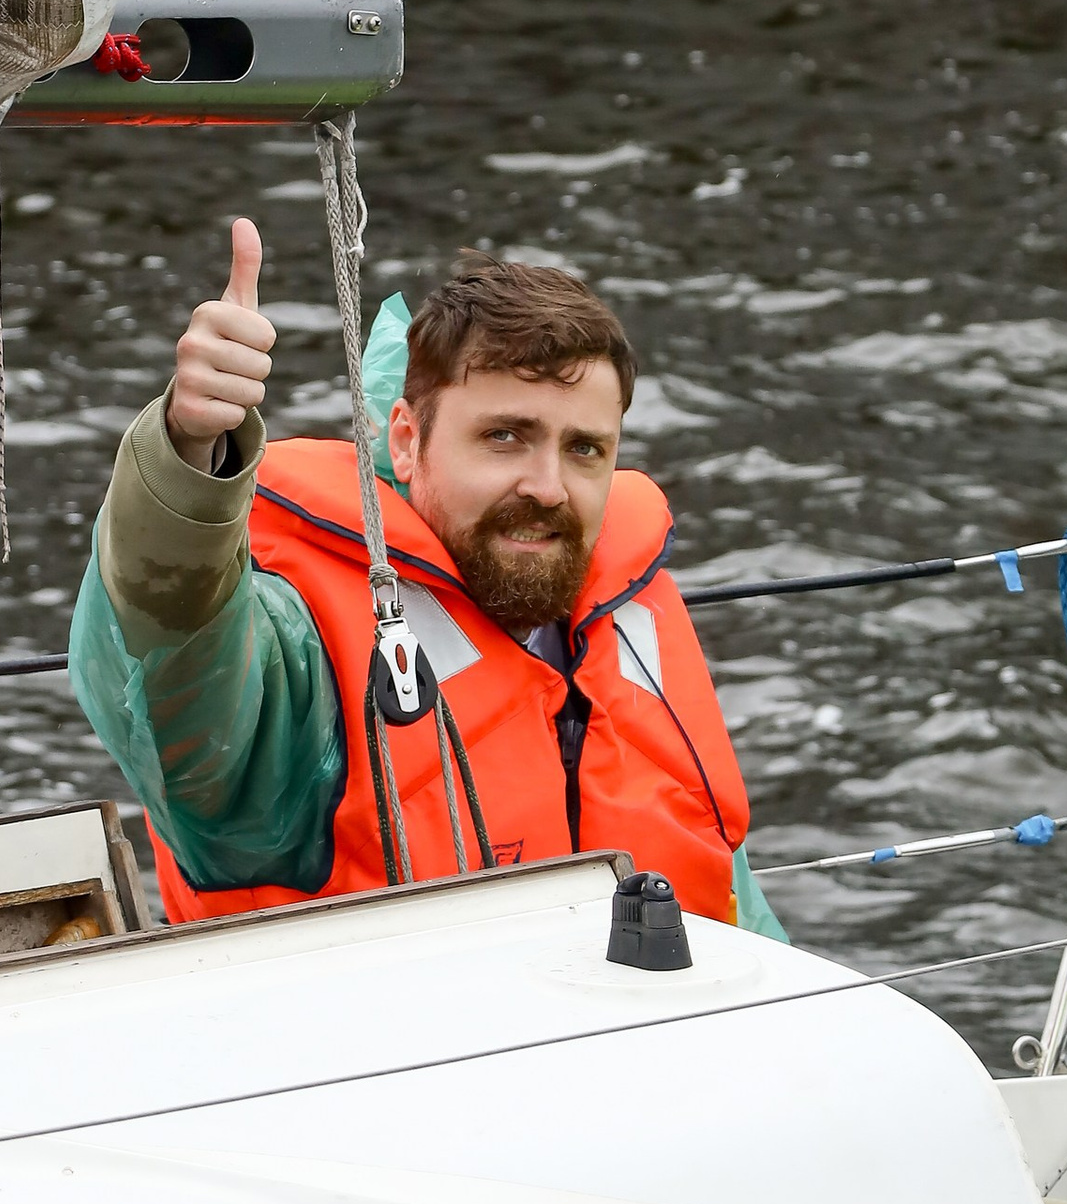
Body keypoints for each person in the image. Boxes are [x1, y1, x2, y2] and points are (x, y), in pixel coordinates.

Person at [70, 227, 783, 931]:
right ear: (408, 442)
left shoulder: (628, 609)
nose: (548, 487)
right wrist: (189, 451)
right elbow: (173, 661)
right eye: (505, 436)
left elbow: (735, 902)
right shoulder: (301, 659)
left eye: (585, 449)